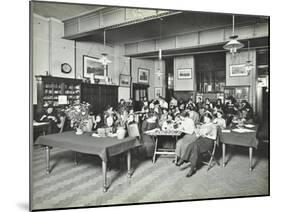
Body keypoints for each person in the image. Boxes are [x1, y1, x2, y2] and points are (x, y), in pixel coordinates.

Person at [179, 113, 217, 177]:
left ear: (210, 118)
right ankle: (190, 166)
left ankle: (185, 161)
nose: (206, 120)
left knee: (195, 146)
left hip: (208, 142)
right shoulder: (203, 125)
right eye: (205, 118)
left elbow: (211, 135)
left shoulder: (212, 126)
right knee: (191, 145)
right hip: (201, 140)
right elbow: (198, 135)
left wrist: (203, 133)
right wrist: (197, 131)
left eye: (207, 118)